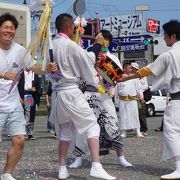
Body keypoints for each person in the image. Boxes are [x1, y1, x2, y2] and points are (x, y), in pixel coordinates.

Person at [48, 13, 116, 180]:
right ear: (70, 27)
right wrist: (98, 44)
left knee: (65, 131)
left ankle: (62, 168)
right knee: (93, 126)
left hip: (58, 92)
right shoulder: (69, 45)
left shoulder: (51, 45)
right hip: (71, 91)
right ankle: (96, 165)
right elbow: (89, 59)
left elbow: (47, 68)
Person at [118, 20, 180, 179]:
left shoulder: (170, 54)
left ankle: (179, 168)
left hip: (177, 100)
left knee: (172, 131)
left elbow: (146, 70)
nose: (164, 38)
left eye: (165, 35)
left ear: (173, 36)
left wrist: (125, 78)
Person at [0, 13, 56, 180]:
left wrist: (46, 68)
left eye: (12, 28)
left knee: (19, 140)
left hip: (13, 104)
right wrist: (3, 74)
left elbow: (33, 67)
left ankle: (7, 174)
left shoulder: (20, 50)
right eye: (5, 27)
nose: (8, 31)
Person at [69, 30, 132, 169]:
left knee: (113, 124)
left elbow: (117, 78)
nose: (100, 41)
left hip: (105, 96)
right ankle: (78, 157)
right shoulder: (89, 54)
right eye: (98, 38)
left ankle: (120, 157)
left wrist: (105, 68)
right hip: (88, 95)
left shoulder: (113, 58)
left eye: (103, 39)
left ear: (108, 41)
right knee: (82, 127)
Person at [114, 63, 144, 138]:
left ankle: (138, 131)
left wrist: (141, 97)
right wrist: (115, 101)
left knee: (134, 115)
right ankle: (123, 132)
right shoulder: (119, 78)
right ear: (125, 69)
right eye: (130, 68)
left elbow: (139, 88)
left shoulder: (135, 78)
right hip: (122, 100)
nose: (131, 69)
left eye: (131, 68)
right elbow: (116, 90)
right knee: (123, 116)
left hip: (132, 100)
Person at [131, 62, 149, 136]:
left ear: (135, 68)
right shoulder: (132, 76)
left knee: (141, 113)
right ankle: (136, 128)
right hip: (133, 97)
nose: (131, 69)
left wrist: (139, 91)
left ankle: (144, 129)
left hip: (141, 97)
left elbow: (145, 86)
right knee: (134, 113)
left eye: (132, 68)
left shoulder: (142, 75)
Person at [24, 70, 42, 140]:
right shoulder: (22, 73)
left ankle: (30, 133)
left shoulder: (35, 75)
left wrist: (35, 89)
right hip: (22, 94)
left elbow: (39, 86)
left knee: (30, 113)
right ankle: (23, 132)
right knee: (24, 114)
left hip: (30, 95)